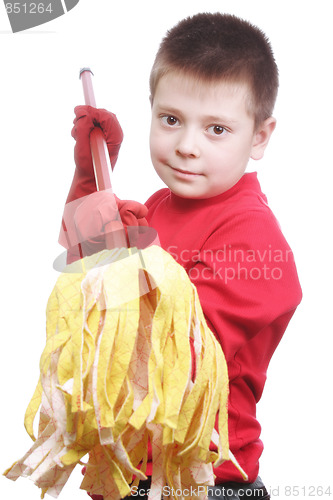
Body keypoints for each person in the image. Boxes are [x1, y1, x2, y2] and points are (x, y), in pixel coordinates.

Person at [61, 12, 302, 500]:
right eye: (171, 120)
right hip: (133, 475)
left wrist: (124, 265)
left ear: (259, 136)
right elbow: (82, 265)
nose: (187, 146)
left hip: (204, 485)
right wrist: (90, 178)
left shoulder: (253, 238)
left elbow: (173, 362)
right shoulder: (155, 208)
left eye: (216, 129)